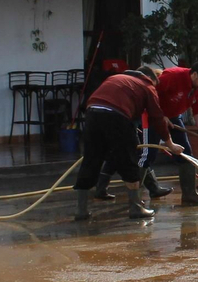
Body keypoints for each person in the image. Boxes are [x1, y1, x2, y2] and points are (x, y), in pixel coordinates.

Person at [96, 61, 198, 207]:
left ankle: (189, 194)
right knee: (148, 154)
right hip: (152, 116)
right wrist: (161, 116)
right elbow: (150, 94)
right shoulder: (172, 76)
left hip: (173, 116)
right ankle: (135, 199)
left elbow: (197, 107)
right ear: (195, 74)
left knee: (186, 153)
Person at [72, 66, 180, 220]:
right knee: (129, 160)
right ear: (151, 78)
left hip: (92, 113)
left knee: (91, 159)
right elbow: (157, 117)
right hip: (117, 116)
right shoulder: (147, 86)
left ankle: (81, 210)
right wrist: (170, 143)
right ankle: (136, 208)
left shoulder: (115, 78)